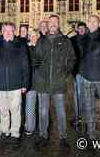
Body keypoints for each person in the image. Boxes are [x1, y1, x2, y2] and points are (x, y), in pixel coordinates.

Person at [34, 15, 76, 150]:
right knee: (43, 111)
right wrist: (40, 73)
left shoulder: (65, 41)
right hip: (43, 82)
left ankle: (63, 137)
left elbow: (72, 59)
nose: (52, 24)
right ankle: (43, 136)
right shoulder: (42, 40)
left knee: (60, 111)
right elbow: (35, 58)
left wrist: (65, 73)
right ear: (48, 24)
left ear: (58, 24)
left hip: (58, 81)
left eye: (55, 22)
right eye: (50, 22)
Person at [0, 22, 30, 148]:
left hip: (16, 85)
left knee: (15, 111)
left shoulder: (20, 46)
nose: (8, 33)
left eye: (11, 31)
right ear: (2, 32)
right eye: (5, 30)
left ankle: (15, 134)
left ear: (14, 32)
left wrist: (25, 84)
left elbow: (26, 66)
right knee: (3, 111)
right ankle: (4, 131)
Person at [70, 22, 87, 126]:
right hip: (77, 71)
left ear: (85, 29)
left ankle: (84, 115)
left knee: (86, 94)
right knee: (77, 94)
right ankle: (78, 116)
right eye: (79, 28)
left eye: (82, 28)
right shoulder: (72, 40)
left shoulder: (89, 39)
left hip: (87, 71)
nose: (81, 30)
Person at [25, 29, 40, 136]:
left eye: (35, 35)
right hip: (30, 80)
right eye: (31, 35)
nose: (33, 37)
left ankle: (43, 128)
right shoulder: (25, 48)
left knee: (43, 106)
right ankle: (30, 127)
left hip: (42, 80)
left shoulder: (43, 47)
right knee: (30, 105)